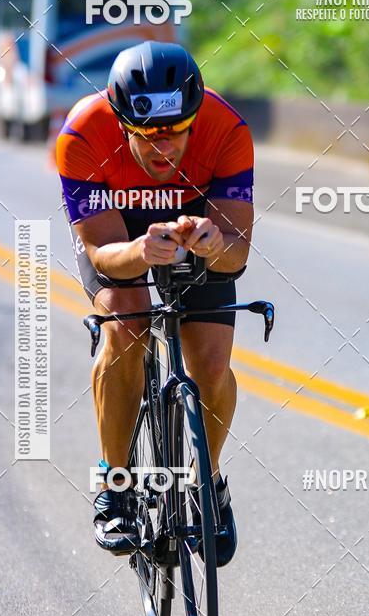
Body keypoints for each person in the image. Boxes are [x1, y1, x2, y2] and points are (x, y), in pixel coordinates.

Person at [56, 41, 254, 562]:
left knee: (211, 364)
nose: (162, 149)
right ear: (121, 122)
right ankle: (116, 485)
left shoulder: (227, 129)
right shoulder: (82, 134)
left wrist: (214, 243)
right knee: (126, 327)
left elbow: (236, 255)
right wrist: (141, 250)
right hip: (119, 232)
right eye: (147, 136)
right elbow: (102, 254)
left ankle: (208, 481)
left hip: (197, 219)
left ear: (195, 118)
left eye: (177, 132)